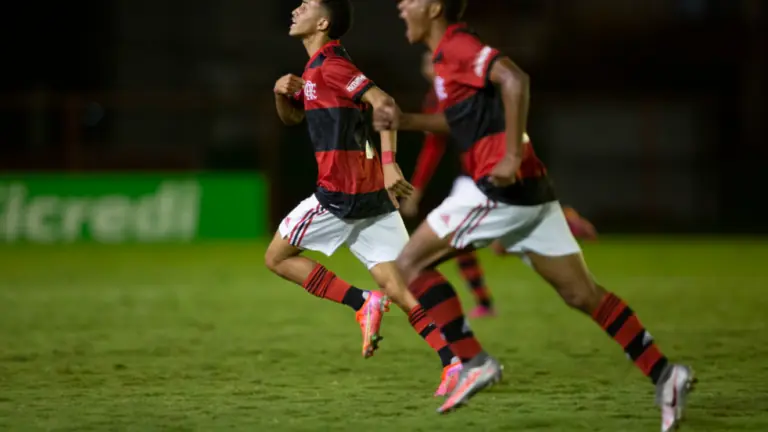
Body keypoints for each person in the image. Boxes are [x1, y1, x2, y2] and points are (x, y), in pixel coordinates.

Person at [375, 0, 695, 428]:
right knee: (583, 295)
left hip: (499, 189)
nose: (400, 7)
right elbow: (460, 123)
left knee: (407, 266)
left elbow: (515, 78)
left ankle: (473, 361)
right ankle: (665, 373)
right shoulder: (445, 58)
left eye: (410, 0)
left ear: (434, 8)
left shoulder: (457, 45)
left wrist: (508, 155)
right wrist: (406, 119)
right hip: (531, 192)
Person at [265, 0, 461, 396]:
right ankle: (453, 363)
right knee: (400, 288)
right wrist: (280, 94)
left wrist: (390, 163)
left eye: (307, 4)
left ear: (322, 22)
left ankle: (361, 302)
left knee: (277, 258)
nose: (297, 6)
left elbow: (384, 102)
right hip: (370, 198)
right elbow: (293, 118)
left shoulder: (332, 66)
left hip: (341, 195)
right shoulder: (314, 70)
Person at [401, 51, 599, 319]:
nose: (430, 68)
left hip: (484, 175)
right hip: (479, 173)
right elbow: (434, 146)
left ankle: (479, 317)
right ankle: (562, 221)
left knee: (451, 242)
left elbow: (434, 147)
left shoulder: (459, 90)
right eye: (426, 63)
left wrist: (418, 190)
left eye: (434, 63)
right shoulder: (440, 96)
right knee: (467, 240)